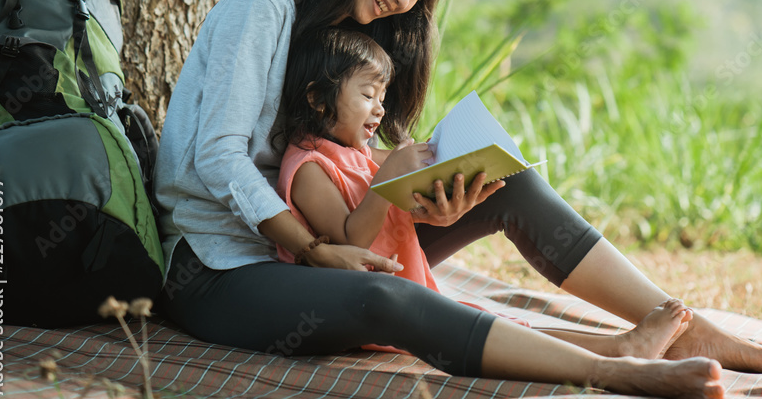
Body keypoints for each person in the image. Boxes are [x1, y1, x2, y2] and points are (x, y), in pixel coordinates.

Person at [155, 0, 762, 399]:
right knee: (384, 300)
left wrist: (422, 202)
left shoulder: (347, 41)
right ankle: (615, 366)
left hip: (324, 232)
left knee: (511, 185)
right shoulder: (263, 5)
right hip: (223, 263)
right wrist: (316, 249)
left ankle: (682, 324)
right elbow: (219, 157)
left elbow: (343, 168)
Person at [275, 25, 694, 360]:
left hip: (395, 285)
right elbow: (349, 244)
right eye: (368, 95)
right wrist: (387, 184)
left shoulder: (354, 152)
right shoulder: (309, 167)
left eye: (382, 97)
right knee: (487, 328)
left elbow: (395, 198)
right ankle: (623, 349)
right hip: (359, 303)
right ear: (317, 98)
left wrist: (440, 183)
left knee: (485, 321)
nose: (381, 110)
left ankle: (624, 344)